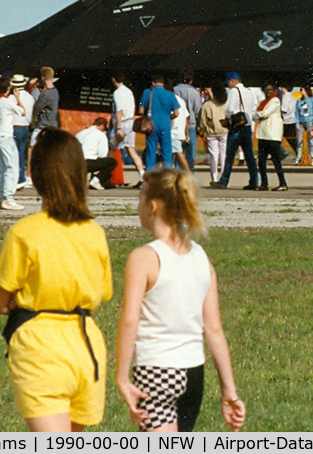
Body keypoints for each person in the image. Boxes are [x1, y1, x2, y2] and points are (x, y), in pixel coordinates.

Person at [0, 128, 113, 432]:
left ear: (37, 174)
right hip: (87, 347)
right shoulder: (94, 233)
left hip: (40, 348)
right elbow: (103, 292)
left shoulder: (25, 232)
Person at [115, 169, 245, 433]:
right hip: (193, 373)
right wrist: (229, 390)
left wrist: (121, 376)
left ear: (152, 206)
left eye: (140, 199)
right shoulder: (201, 257)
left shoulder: (143, 258)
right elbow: (214, 329)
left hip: (156, 370)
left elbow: (130, 320)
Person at [0, 76, 25, 210]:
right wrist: (18, 98)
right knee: (12, 168)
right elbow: (23, 112)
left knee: (4, 168)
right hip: (6, 136)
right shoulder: (7, 102)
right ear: (9, 88)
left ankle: (0, 197)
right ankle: (8, 197)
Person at [215, 73, 258, 190]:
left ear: (233, 81)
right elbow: (253, 109)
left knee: (230, 155)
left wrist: (226, 120)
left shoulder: (234, 91)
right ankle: (254, 180)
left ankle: (224, 180)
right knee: (249, 155)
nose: (228, 86)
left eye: (228, 83)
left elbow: (229, 109)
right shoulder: (250, 92)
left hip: (237, 126)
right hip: (247, 125)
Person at [110, 71, 145, 179]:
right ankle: (142, 174)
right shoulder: (129, 91)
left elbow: (119, 111)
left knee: (112, 149)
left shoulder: (117, 93)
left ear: (114, 79)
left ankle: (103, 176)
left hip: (122, 124)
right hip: (130, 123)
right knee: (131, 150)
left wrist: (118, 128)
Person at [253, 84, 287, 192]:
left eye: (270, 90)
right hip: (263, 135)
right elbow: (255, 116)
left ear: (274, 91)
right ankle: (264, 183)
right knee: (261, 161)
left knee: (276, 161)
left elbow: (264, 113)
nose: (268, 91)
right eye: (266, 89)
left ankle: (283, 183)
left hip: (272, 136)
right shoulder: (263, 102)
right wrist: (258, 114)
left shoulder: (275, 101)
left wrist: (258, 114)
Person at [141, 76, 180, 170]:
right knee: (166, 151)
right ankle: (168, 175)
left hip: (152, 124)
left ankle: (149, 177)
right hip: (165, 124)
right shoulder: (170, 94)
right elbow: (176, 113)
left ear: (153, 83)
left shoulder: (147, 92)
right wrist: (168, 117)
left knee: (151, 151)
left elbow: (141, 110)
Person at [199, 84, 229, 186]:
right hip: (225, 132)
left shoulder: (207, 105)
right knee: (224, 156)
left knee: (213, 156)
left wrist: (203, 129)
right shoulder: (227, 103)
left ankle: (214, 178)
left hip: (211, 132)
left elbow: (203, 120)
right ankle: (224, 179)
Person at [77, 117, 119, 190]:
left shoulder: (80, 133)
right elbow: (102, 155)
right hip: (88, 162)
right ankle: (96, 180)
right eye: (105, 128)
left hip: (76, 162)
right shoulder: (101, 135)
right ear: (102, 125)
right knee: (112, 162)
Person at [173, 73, 203, 170]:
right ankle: (190, 175)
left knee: (178, 152)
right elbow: (198, 110)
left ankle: (178, 174)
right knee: (190, 153)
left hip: (177, 123)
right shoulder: (194, 92)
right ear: (191, 81)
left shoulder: (175, 90)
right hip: (191, 124)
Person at [12, 74, 36, 188]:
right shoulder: (30, 97)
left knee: (14, 154)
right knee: (22, 153)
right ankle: (22, 177)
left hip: (14, 127)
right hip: (25, 127)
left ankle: (17, 178)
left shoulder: (11, 97)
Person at [295, 88, 313, 166]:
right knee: (299, 141)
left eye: (302, 90)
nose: (301, 91)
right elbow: (296, 112)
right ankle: (299, 158)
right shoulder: (299, 100)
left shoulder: (312, 100)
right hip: (301, 122)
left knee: (312, 141)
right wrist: (297, 123)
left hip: (310, 121)